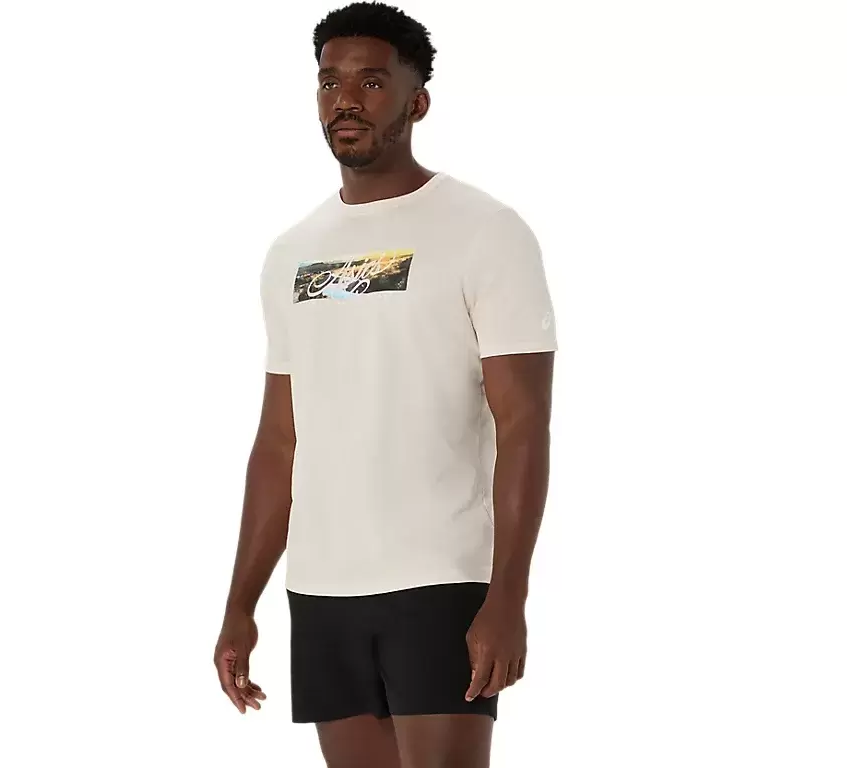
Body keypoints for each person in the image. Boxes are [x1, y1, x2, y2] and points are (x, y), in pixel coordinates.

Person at [214, 2, 557, 765]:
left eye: (371, 82)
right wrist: (241, 603)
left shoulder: (485, 231)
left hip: (439, 581)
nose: (345, 100)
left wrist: (509, 596)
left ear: (417, 101)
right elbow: (279, 441)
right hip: (322, 590)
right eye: (329, 82)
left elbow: (523, 423)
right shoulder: (294, 252)